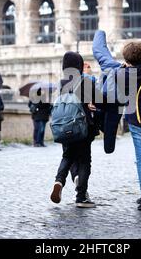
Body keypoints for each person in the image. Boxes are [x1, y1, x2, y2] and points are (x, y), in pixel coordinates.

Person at [93, 30, 141, 211]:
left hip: (135, 119)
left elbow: (99, 51)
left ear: (126, 58)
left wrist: (100, 33)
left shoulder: (118, 71)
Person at [50, 51, 99, 208]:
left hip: (65, 126)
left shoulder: (62, 83)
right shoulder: (86, 81)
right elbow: (98, 101)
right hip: (82, 126)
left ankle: (59, 181)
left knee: (67, 156)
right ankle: (81, 197)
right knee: (85, 161)